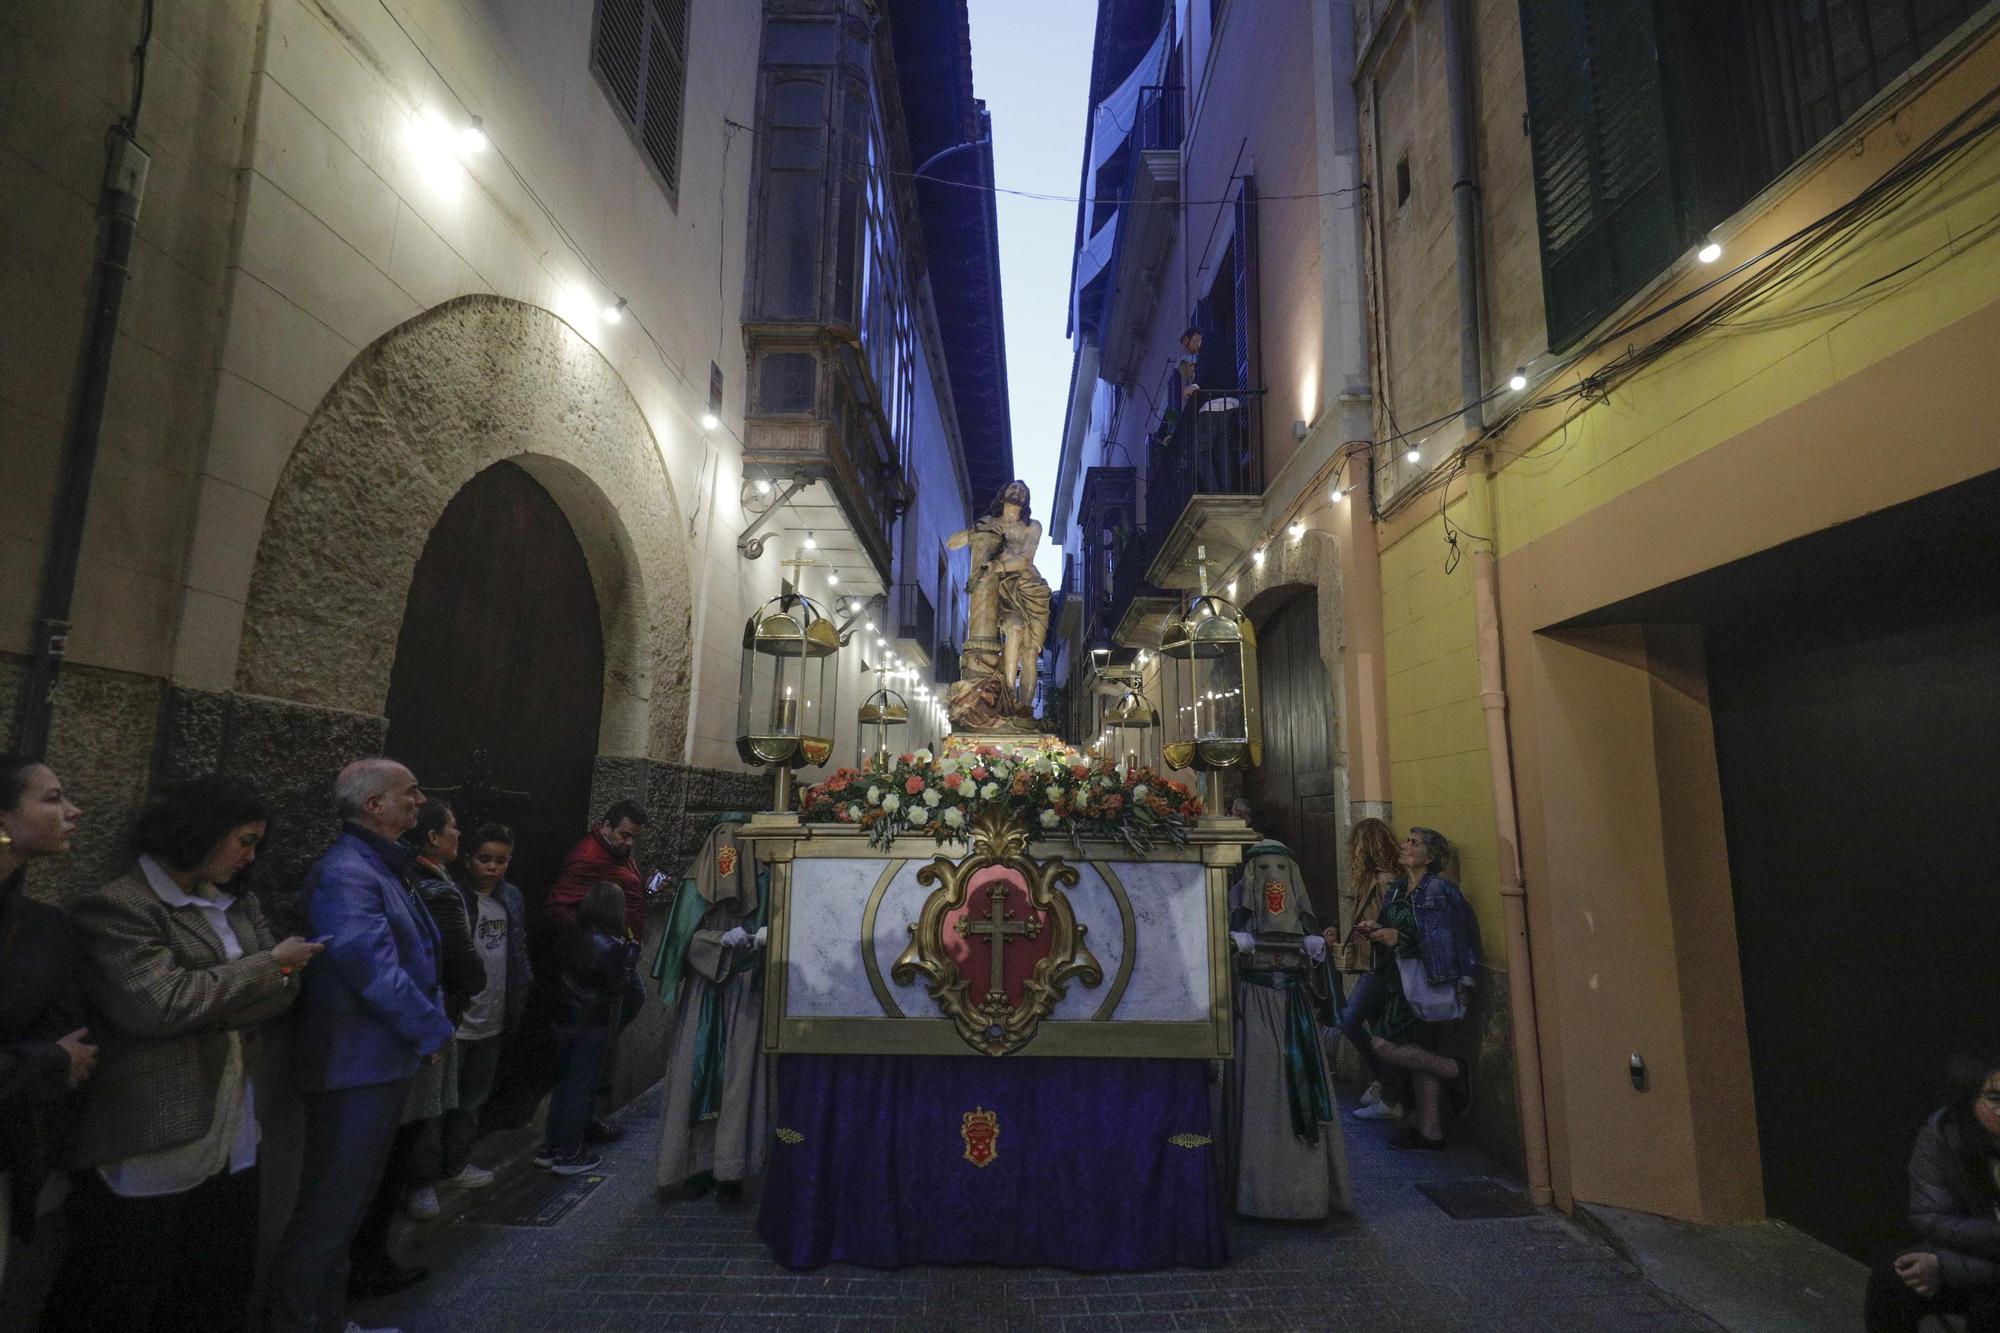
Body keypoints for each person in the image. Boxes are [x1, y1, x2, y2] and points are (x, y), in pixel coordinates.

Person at [47, 774, 322, 1332]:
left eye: (256, 845)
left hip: (232, 1126)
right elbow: (156, 1005)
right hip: (155, 1126)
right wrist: (267, 968)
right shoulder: (121, 906)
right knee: (122, 1284)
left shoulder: (237, 903)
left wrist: (218, 995)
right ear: (201, 831)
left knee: (214, 1283)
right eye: (243, 841)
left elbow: (284, 994)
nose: (250, 857)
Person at [263, 757, 452, 1333]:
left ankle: (328, 1318)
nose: (419, 802)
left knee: (347, 1207)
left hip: (375, 1061)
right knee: (330, 1209)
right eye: (409, 792)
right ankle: (296, 1321)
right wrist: (431, 1027)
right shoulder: (348, 872)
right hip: (354, 1065)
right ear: (373, 804)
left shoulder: (381, 865)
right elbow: (370, 968)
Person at [348, 799, 485, 1295]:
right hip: (409, 1033)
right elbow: (397, 964)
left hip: (419, 1025)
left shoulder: (405, 878)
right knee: (392, 1148)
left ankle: (369, 1260)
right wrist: (437, 1022)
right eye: (452, 828)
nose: (459, 834)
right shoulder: (396, 880)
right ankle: (363, 1267)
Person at [0, 756, 94, 1296]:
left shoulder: (44, 926)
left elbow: (70, 1037)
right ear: (5, 820)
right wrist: (47, 1063)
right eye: (53, 798)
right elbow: (56, 1053)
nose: (74, 812)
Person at [1223, 839, 1351, 1219]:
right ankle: (1258, 1193)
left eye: (1281, 869)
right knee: (1260, 1089)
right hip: (1255, 1007)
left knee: (1298, 1090)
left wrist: (1315, 953)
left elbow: (1320, 979)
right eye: (1263, 869)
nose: (1273, 878)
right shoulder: (1233, 904)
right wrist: (1233, 944)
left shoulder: (1304, 917)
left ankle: (1305, 1194)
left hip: (1295, 1012)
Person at [653, 818, 770, 1203]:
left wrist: (764, 936)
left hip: (745, 991)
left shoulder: (768, 880)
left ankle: (731, 1167)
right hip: (706, 994)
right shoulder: (694, 885)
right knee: (694, 1076)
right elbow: (681, 942)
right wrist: (719, 941)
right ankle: (694, 1165)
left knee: (738, 1080)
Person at [1352, 826, 1478, 1151]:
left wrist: (1400, 938)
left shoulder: (1440, 891)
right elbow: (1391, 924)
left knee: (1381, 1043)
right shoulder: (1396, 889)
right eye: (1407, 841)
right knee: (1420, 1053)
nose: (1405, 846)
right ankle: (1431, 1132)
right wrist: (1377, 929)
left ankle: (1454, 1069)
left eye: (1414, 843)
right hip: (1398, 979)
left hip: (1425, 982)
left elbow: (1451, 938)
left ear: (1431, 856)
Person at [1864, 1052, 2000, 1331]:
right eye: (1996, 1101)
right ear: (1970, 1102)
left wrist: (1944, 1266)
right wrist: (1940, 1263)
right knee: (1891, 1280)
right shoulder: (1944, 1135)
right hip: (1979, 1257)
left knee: (1989, 1311)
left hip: (1981, 1266)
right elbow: (1932, 1218)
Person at [436, 824, 531, 1193]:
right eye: (485, 859)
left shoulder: (511, 898)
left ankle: (457, 1163)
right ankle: (422, 1179)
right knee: (438, 1103)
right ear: (468, 859)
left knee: (472, 1098)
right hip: (457, 1017)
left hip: (493, 1015)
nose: (493, 868)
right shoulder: (454, 897)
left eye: (502, 861)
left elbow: (517, 950)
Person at [542, 882, 640, 1175]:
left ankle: (551, 1147)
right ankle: (570, 1154)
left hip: (563, 1018)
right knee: (581, 1087)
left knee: (563, 1084)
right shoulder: (611, 945)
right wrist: (630, 959)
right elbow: (618, 986)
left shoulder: (570, 934)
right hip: (591, 1021)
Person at [1329, 818, 1405, 1122]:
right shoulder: (1372, 879)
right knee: (1376, 1028)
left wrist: (1374, 930)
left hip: (1381, 964)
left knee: (1348, 1020)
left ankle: (1390, 1089)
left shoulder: (1385, 880)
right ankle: (1387, 1086)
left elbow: (1395, 921)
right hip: (1372, 961)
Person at [547, 801, 648, 937]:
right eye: (624, 835)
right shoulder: (588, 858)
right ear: (607, 827)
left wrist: (646, 887)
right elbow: (556, 908)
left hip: (622, 943)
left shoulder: (617, 850)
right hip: (604, 948)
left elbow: (627, 887)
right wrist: (597, 935)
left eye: (634, 838)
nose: (630, 843)